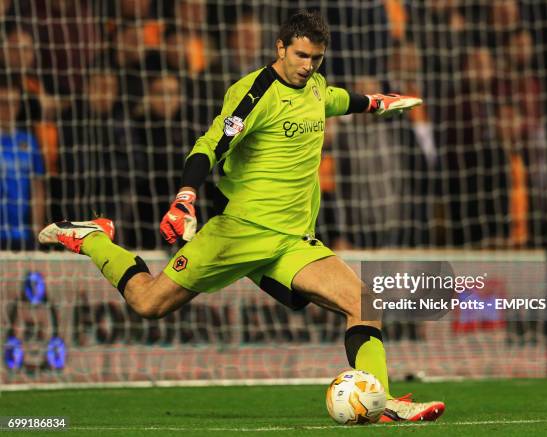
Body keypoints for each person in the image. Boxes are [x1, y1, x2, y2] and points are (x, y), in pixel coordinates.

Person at [38, 10, 444, 422]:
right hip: (238, 234)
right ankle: (93, 237)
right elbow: (209, 145)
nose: (307, 67)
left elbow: (342, 100)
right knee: (147, 303)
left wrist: (378, 103)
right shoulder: (255, 93)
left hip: (291, 241)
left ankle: (383, 401)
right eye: (301, 56)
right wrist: (185, 197)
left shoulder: (317, 88)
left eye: (316, 59)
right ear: (280, 48)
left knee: (364, 301)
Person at [0, 79, 45, 250]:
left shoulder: (28, 141)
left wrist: (37, 229)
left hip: (22, 234)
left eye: (13, 103)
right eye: (3, 103)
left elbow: (37, 187)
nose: (8, 109)